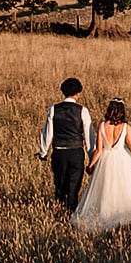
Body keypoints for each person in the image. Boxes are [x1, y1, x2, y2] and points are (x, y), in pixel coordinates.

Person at [73, 98, 131, 231]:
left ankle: (107, 216)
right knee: (127, 189)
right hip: (122, 161)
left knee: (105, 191)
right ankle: (123, 219)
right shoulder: (126, 127)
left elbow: (99, 150)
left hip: (105, 162)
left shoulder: (102, 126)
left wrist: (90, 165)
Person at [37, 77, 98, 209]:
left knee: (59, 186)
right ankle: (71, 213)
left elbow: (48, 134)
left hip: (58, 152)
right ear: (77, 93)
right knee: (73, 187)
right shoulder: (83, 110)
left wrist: (43, 152)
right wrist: (92, 157)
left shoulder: (53, 109)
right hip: (76, 152)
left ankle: (60, 213)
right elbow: (89, 137)